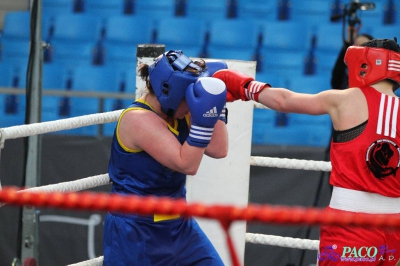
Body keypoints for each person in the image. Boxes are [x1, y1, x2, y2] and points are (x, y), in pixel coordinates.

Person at [213, 38, 400, 265]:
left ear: (366, 63)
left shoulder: (345, 100)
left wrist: (244, 86)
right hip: (394, 228)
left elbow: (284, 101)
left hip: (350, 226)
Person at [103, 50, 229, 266]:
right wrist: (202, 118)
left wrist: (215, 106)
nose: (191, 104)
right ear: (171, 92)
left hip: (180, 226)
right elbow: (187, 164)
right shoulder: (138, 120)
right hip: (136, 232)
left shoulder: (179, 110)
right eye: (187, 98)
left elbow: (219, 150)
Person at [331, 25, 374, 90]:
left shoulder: (376, 75)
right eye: (356, 45)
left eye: (362, 45)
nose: (358, 48)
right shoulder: (347, 75)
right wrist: (349, 42)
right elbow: (336, 81)